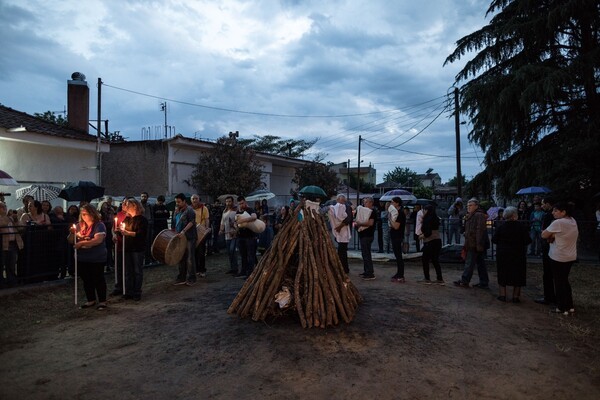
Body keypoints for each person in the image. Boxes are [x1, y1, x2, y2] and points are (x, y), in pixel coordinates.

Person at [541, 201, 578, 315]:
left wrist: (551, 234)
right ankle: (569, 305)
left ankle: (561, 307)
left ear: (563, 212)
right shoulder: (572, 220)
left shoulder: (559, 223)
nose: (553, 213)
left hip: (558, 256)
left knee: (559, 282)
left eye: (555, 211)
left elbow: (543, 235)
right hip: (570, 256)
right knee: (564, 281)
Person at [70, 204, 108, 310]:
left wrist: (81, 243)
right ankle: (91, 299)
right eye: (82, 214)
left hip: (96, 257)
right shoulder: (79, 225)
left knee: (98, 278)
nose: (83, 216)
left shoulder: (99, 225)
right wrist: (72, 234)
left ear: (92, 214)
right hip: (82, 258)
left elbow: (98, 240)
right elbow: (71, 240)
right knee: (86, 279)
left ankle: (102, 301)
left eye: (85, 214)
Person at [492, 206, 531, 302]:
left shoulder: (501, 226)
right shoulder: (521, 227)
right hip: (518, 253)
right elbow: (527, 240)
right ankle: (515, 296)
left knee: (503, 273)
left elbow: (494, 239)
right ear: (515, 215)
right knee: (518, 274)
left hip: (503, 253)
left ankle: (502, 295)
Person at [454, 198, 489, 288]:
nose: (468, 207)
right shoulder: (471, 215)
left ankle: (465, 280)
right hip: (472, 242)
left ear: (476, 206)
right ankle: (484, 281)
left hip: (474, 243)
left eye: (471, 205)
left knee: (470, 262)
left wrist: (478, 244)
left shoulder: (478, 215)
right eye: (468, 206)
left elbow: (480, 230)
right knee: (480, 263)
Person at [118, 198, 148, 301]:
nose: (126, 206)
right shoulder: (127, 219)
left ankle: (137, 292)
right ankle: (128, 291)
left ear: (134, 206)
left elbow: (141, 234)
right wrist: (119, 231)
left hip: (137, 248)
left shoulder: (142, 220)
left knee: (137, 271)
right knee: (128, 271)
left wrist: (128, 233)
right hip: (128, 247)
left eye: (128, 205)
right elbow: (123, 231)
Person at [172, 193, 198, 286]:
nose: (177, 203)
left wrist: (183, 231)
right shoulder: (176, 211)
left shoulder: (190, 210)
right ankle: (181, 277)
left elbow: (192, 222)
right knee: (181, 257)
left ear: (184, 201)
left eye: (179, 202)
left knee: (190, 258)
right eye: (176, 202)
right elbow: (174, 223)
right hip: (180, 237)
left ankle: (192, 278)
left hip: (190, 237)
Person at [535, 197, 556, 305]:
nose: (542, 206)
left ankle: (549, 296)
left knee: (548, 273)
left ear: (548, 204)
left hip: (548, 246)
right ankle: (552, 296)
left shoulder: (548, 216)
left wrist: (545, 235)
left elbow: (545, 232)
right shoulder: (551, 215)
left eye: (543, 204)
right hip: (552, 247)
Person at [418, 204, 444, 285]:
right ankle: (439, 278)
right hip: (437, 240)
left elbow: (428, 233)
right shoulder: (435, 218)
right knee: (435, 260)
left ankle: (427, 278)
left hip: (430, 241)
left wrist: (422, 236)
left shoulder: (427, 219)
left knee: (425, 260)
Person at [0, 201, 23, 288]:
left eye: (5, 207)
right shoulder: (4, 218)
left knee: (12, 264)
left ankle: (12, 282)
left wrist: (16, 219)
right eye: (2, 207)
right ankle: (2, 283)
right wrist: (5, 217)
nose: (5, 209)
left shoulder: (10, 218)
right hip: (3, 245)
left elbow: (20, 227)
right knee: (1, 264)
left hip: (13, 244)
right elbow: (2, 224)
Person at [328, 194, 352, 274]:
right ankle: (343, 268)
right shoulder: (335, 207)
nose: (341, 202)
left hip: (343, 232)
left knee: (342, 252)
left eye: (343, 201)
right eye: (340, 201)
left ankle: (344, 269)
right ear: (337, 200)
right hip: (339, 232)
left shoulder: (347, 207)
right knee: (341, 251)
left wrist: (339, 227)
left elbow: (348, 219)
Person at [235, 196, 257, 279]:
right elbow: (237, 222)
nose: (241, 205)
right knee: (243, 255)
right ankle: (243, 271)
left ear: (245, 202)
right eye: (239, 204)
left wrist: (242, 221)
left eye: (242, 203)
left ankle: (250, 273)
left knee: (250, 255)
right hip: (241, 236)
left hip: (250, 236)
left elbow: (254, 217)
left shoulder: (250, 210)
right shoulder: (238, 211)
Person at [355, 197, 376, 280]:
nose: (364, 204)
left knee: (367, 254)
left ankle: (370, 272)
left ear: (371, 203)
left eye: (366, 202)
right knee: (365, 254)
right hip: (363, 235)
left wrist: (360, 223)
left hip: (367, 235)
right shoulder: (363, 211)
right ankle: (366, 270)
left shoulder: (372, 212)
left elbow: (370, 223)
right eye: (364, 202)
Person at [110, 202, 128, 296]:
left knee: (127, 267)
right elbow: (113, 228)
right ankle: (119, 286)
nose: (124, 205)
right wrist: (114, 235)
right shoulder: (119, 214)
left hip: (127, 245)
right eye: (123, 204)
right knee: (119, 266)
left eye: (126, 204)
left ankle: (127, 287)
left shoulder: (131, 215)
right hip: (119, 244)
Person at [388, 197, 406, 283]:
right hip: (395, 236)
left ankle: (401, 274)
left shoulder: (400, 214)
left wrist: (390, 219)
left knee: (399, 256)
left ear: (397, 203)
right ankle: (399, 273)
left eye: (392, 202)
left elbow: (396, 226)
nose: (391, 204)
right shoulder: (396, 213)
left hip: (397, 236)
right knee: (397, 255)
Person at [191, 195, 209, 278]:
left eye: (196, 198)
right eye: (193, 199)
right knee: (194, 253)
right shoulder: (190, 209)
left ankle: (202, 270)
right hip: (192, 232)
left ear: (199, 199)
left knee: (201, 252)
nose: (195, 200)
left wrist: (206, 229)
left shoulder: (204, 208)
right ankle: (197, 270)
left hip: (201, 232)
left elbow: (206, 219)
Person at [219, 196, 239, 275]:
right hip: (227, 235)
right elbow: (222, 222)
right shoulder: (224, 211)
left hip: (234, 234)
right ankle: (232, 268)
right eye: (227, 202)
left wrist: (234, 228)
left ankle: (236, 268)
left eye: (229, 201)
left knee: (232, 251)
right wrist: (221, 230)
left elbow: (239, 222)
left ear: (232, 202)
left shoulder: (236, 211)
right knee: (229, 252)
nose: (228, 203)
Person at [100, 196, 116, 273]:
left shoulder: (111, 209)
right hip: (104, 229)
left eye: (110, 202)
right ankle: (106, 263)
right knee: (105, 247)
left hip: (109, 229)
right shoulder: (102, 211)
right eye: (107, 202)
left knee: (109, 247)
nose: (108, 204)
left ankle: (109, 263)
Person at [140, 192, 155, 265]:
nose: (143, 198)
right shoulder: (138, 205)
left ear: (147, 197)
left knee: (148, 242)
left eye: (145, 196)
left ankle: (147, 260)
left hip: (149, 224)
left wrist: (151, 222)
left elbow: (152, 215)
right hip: (141, 225)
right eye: (142, 196)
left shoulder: (150, 205)